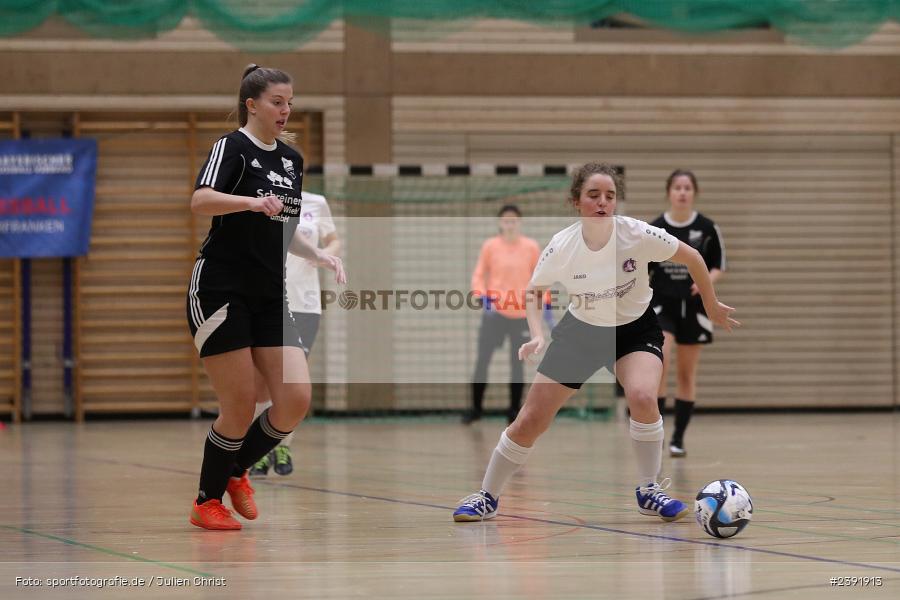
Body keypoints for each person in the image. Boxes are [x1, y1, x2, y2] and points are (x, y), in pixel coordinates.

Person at [452, 163, 738, 523]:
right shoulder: (563, 246)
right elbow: (534, 291)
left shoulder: (637, 233)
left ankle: (648, 489)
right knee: (531, 420)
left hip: (635, 329)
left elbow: (694, 257)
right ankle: (486, 496)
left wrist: (710, 304)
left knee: (644, 397)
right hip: (582, 332)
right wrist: (538, 333)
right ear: (576, 201)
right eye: (593, 195)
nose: (603, 202)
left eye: (610, 196)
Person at [186, 64, 345, 530]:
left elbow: (286, 229)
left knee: (295, 398)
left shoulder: (292, 161)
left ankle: (237, 472)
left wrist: (319, 255)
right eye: (277, 102)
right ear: (252, 104)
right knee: (238, 404)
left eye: (290, 102)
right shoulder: (231, 147)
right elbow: (200, 200)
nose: (285, 110)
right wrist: (250, 202)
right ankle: (205, 501)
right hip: (220, 288)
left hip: (268, 293)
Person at [249, 190, 340, 476]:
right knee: (263, 381)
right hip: (268, 299)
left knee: (292, 380)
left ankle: (283, 444)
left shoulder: (316, 202)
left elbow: (333, 240)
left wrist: (324, 256)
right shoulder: (261, 201)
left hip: (306, 304)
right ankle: (258, 451)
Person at [649, 170, 726, 458]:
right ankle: (654, 435)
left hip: (695, 307)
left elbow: (718, 265)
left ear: (694, 192)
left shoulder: (707, 228)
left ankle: (678, 438)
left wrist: (706, 282)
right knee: (661, 362)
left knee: (686, 373)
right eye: (677, 187)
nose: (682, 192)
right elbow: (642, 267)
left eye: (687, 187)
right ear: (669, 192)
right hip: (662, 305)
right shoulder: (655, 228)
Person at [465, 205, 545, 424]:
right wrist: (482, 296)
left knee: (517, 363)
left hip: (520, 314)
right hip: (495, 314)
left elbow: (539, 277)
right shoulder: (490, 246)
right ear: (500, 223)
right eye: (506, 220)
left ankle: (513, 411)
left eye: (514, 220)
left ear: (520, 223)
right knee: (482, 361)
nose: (510, 224)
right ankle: (475, 409)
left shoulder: (531, 247)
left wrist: (544, 303)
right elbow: (479, 274)